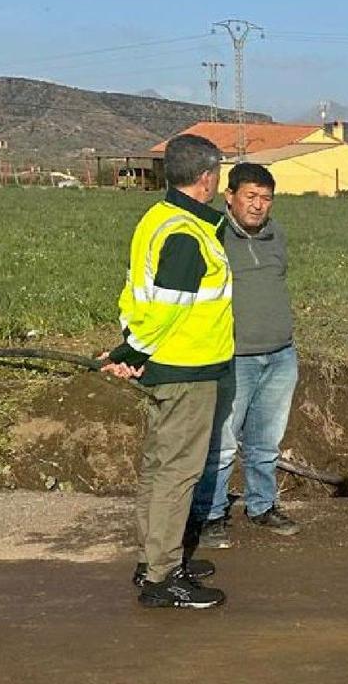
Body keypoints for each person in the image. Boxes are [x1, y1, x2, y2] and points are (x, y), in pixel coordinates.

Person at [101, 134, 233, 609]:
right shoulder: (185, 234)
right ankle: (162, 578)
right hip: (186, 369)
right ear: (207, 177)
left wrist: (130, 344)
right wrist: (133, 350)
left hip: (167, 366)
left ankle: (154, 556)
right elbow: (167, 307)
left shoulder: (156, 219)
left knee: (159, 467)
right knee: (177, 473)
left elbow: (133, 291)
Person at [190, 162, 300, 547]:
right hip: (235, 356)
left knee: (267, 439)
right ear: (230, 197)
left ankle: (262, 505)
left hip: (281, 354)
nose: (258, 206)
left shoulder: (276, 235)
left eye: (265, 198)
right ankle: (211, 513)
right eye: (250, 196)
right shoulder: (213, 236)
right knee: (223, 440)